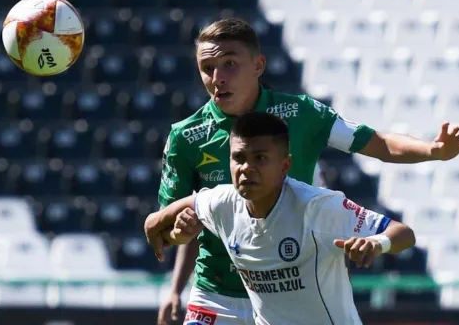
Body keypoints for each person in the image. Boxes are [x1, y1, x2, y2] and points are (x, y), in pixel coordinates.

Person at [156, 18, 459, 325]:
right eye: (207, 68)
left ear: (258, 65)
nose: (217, 77)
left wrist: (434, 151)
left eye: (230, 64)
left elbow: (378, 143)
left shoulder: (302, 113)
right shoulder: (186, 137)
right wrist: (175, 270)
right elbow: (169, 227)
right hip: (217, 294)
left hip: (290, 292)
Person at [146, 112, 416, 325]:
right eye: (238, 158)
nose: (246, 168)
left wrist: (376, 244)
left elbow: (403, 233)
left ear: (285, 165)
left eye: (260, 158)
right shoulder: (222, 202)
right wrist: (156, 222)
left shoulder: (317, 207)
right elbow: (192, 203)